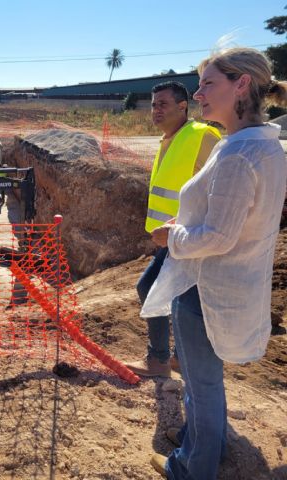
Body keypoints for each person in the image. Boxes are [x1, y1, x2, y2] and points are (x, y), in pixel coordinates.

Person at [142, 48, 287, 479]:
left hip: (204, 290)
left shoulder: (238, 154)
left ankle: (192, 467)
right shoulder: (264, 146)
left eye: (209, 83)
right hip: (230, 285)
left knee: (201, 386)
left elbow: (219, 238)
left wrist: (172, 236)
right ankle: (206, 443)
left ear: (241, 84)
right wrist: (187, 221)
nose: (199, 93)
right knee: (207, 383)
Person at [123, 81, 220, 378]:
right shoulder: (169, 139)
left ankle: (159, 360)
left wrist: (185, 229)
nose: (156, 110)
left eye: (163, 104)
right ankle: (176, 357)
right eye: (153, 104)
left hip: (188, 238)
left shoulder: (203, 136)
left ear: (183, 106)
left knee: (150, 288)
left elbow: (219, 189)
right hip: (171, 240)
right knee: (176, 296)